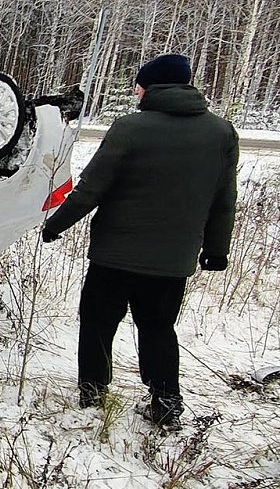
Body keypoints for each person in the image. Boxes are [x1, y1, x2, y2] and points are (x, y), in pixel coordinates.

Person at [42, 54, 239, 430]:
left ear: (151, 86)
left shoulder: (130, 127)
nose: (134, 90)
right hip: (172, 262)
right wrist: (216, 250)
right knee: (158, 328)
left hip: (114, 256)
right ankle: (166, 400)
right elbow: (224, 198)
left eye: (138, 83)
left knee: (98, 322)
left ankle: (93, 391)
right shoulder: (221, 132)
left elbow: (92, 188)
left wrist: (57, 224)